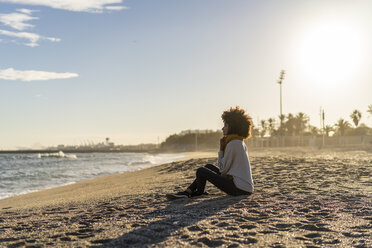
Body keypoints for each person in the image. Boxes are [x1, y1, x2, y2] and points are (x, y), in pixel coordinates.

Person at [166, 106, 254, 199]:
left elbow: (223, 169)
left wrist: (221, 150)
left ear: (232, 127)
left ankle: (192, 193)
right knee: (208, 167)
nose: (222, 128)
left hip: (239, 188)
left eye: (225, 125)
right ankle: (191, 192)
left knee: (201, 171)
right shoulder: (239, 141)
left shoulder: (233, 144)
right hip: (245, 187)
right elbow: (227, 169)